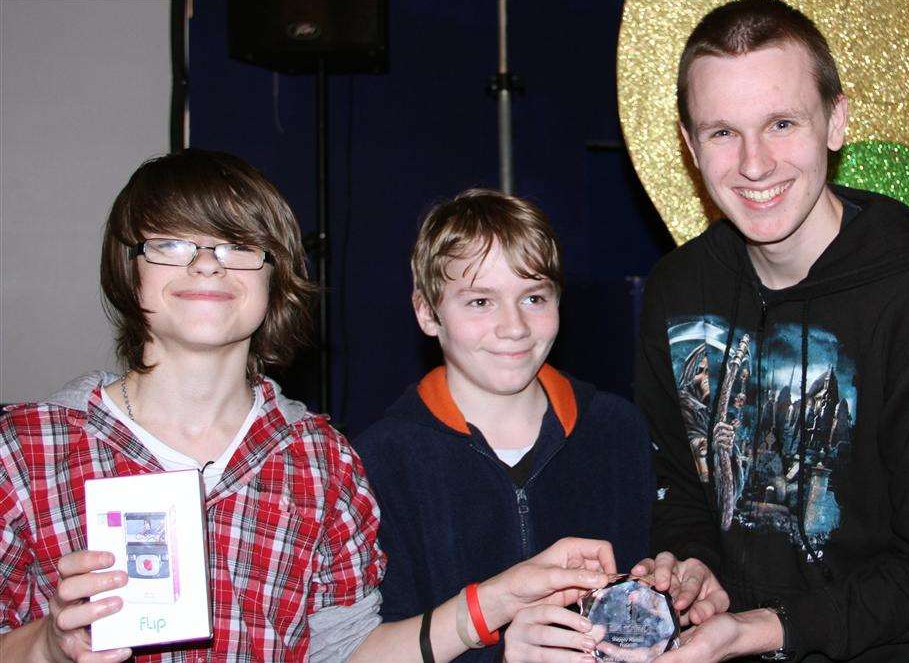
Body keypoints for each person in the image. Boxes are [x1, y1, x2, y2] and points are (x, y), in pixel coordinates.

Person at [0, 149, 624, 663]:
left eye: (238, 245)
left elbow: (350, 655)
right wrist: (47, 648)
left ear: (274, 277)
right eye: (172, 243)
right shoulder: (28, 449)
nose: (208, 264)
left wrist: (500, 597)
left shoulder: (321, 461)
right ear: (128, 269)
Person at [634, 0, 909, 661]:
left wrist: (762, 627)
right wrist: (696, 571)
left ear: (835, 121)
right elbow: (682, 491)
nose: (753, 164)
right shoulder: (678, 292)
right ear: (688, 146)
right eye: (722, 132)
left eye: (781, 123)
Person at [354, 188, 729, 661]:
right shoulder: (381, 460)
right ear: (428, 312)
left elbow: (666, 559)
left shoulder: (617, 429)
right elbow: (374, 645)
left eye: (533, 297)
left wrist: (676, 581)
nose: (514, 327)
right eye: (479, 302)